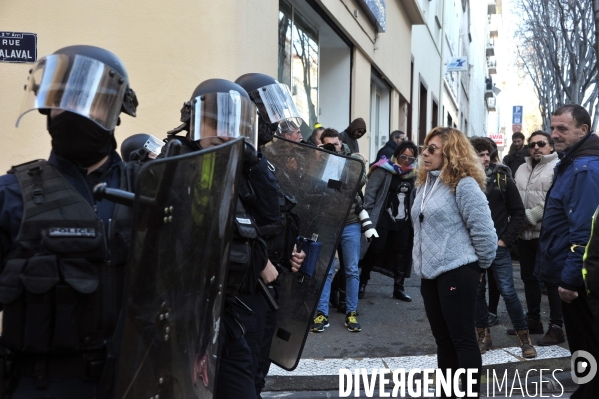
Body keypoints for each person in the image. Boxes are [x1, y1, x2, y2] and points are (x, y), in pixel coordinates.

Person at [0, 45, 138, 398]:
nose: (73, 113)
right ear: (46, 108)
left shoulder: (150, 189)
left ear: (115, 113)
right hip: (40, 383)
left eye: (88, 101)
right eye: (64, 100)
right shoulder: (11, 194)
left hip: (132, 382)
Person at [165, 78, 303, 399]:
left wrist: (253, 160)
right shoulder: (176, 165)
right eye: (215, 123)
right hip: (189, 317)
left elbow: (268, 218)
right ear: (194, 121)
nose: (225, 132)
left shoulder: (243, 164)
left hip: (228, 312)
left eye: (234, 125)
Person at [234, 72, 306, 396]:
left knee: (257, 373)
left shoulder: (262, 161)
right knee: (243, 374)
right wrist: (261, 259)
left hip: (268, 285)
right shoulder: (233, 159)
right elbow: (233, 223)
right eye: (268, 110)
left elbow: (272, 217)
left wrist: (292, 250)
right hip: (242, 288)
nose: (273, 123)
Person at [413, 127, 497, 398]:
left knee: (462, 340)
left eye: (432, 149)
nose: (425, 153)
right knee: (443, 341)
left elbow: (485, 233)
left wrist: (478, 268)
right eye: (425, 148)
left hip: (458, 271)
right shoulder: (425, 184)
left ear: (450, 153)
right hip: (429, 275)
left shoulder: (464, 184)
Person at [537, 104, 599, 399]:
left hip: (577, 278)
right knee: (583, 344)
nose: (554, 134)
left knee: (586, 343)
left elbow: (584, 231)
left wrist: (571, 280)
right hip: (571, 272)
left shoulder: (583, 169)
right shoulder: (574, 163)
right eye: (553, 128)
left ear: (582, 130)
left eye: (562, 128)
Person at [469, 137, 535, 358]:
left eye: (488, 153)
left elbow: (518, 212)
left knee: (508, 291)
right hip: (472, 249)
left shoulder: (502, 176)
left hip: (499, 246)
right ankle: (483, 338)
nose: (485, 158)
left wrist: (506, 239)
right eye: (480, 154)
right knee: (477, 293)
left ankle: (524, 339)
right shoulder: (464, 179)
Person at [312, 128, 366, 333]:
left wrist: (335, 164)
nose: (333, 148)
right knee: (324, 269)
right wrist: (319, 159)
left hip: (350, 222)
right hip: (326, 222)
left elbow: (355, 183)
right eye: (328, 145)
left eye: (335, 144)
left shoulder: (353, 160)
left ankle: (351, 313)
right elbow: (313, 186)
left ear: (341, 142)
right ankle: (321, 314)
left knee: (351, 270)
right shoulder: (319, 160)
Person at [512, 131, 561, 344]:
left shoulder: (558, 167)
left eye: (541, 143)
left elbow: (555, 199)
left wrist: (530, 216)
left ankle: (556, 326)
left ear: (551, 146)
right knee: (528, 278)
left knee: (551, 281)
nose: (536, 148)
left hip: (546, 233)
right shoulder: (522, 168)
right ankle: (533, 320)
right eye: (532, 145)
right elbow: (513, 196)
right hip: (524, 233)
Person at [359, 140, 418, 301]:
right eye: (403, 156)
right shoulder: (383, 169)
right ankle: (362, 281)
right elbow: (370, 194)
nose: (406, 161)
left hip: (404, 220)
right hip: (382, 218)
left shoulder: (415, 174)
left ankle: (398, 288)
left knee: (402, 253)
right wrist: (366, 217)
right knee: (375, 249)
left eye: (411, 159)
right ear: (397, 155)